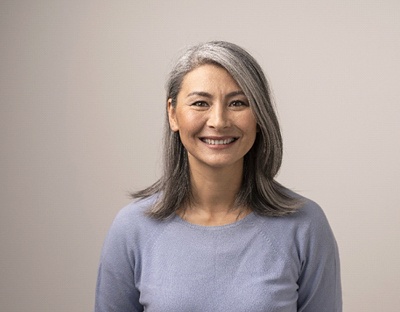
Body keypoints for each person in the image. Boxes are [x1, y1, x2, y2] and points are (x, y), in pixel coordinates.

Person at [94, 41, 342, 311]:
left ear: (259, 116)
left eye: (238, 103)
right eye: (200, 103)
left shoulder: (305, 225)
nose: (219, 121)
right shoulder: (132, 228)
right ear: (173, 114)